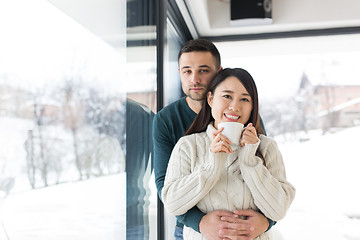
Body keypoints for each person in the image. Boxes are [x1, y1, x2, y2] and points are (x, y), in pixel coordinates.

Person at [153, 39, 276, 240]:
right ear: (180, 74)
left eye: (203, 70)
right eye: (187, 71)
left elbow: (268, 173)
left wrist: (267, 221)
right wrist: (199, 222)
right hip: (193, 227)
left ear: (218, 72)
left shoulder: (244, 116)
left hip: (247, 230)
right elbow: (163, 184)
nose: (194, 79)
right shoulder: (166, 120)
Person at [161, 68, 296, 240]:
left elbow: (278, 209)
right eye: (227, 96)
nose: (235, 106)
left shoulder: (266, 147)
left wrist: (249, 160)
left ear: (253, 106)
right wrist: (212, 166)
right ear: (210, 99)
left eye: (245, 99)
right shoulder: (188, 145)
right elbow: (172, 204)